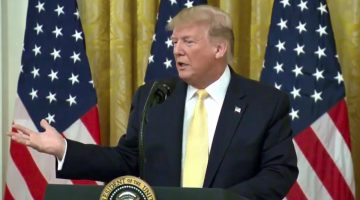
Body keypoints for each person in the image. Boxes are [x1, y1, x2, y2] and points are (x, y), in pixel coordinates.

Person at [9, 5, 298, 199]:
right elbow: (127, 160)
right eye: (174, 43)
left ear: (219, 48)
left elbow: (279, 171)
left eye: (188, 42)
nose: (177, 51)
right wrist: (63, 149)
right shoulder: (154, 96)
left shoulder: (265, 103)